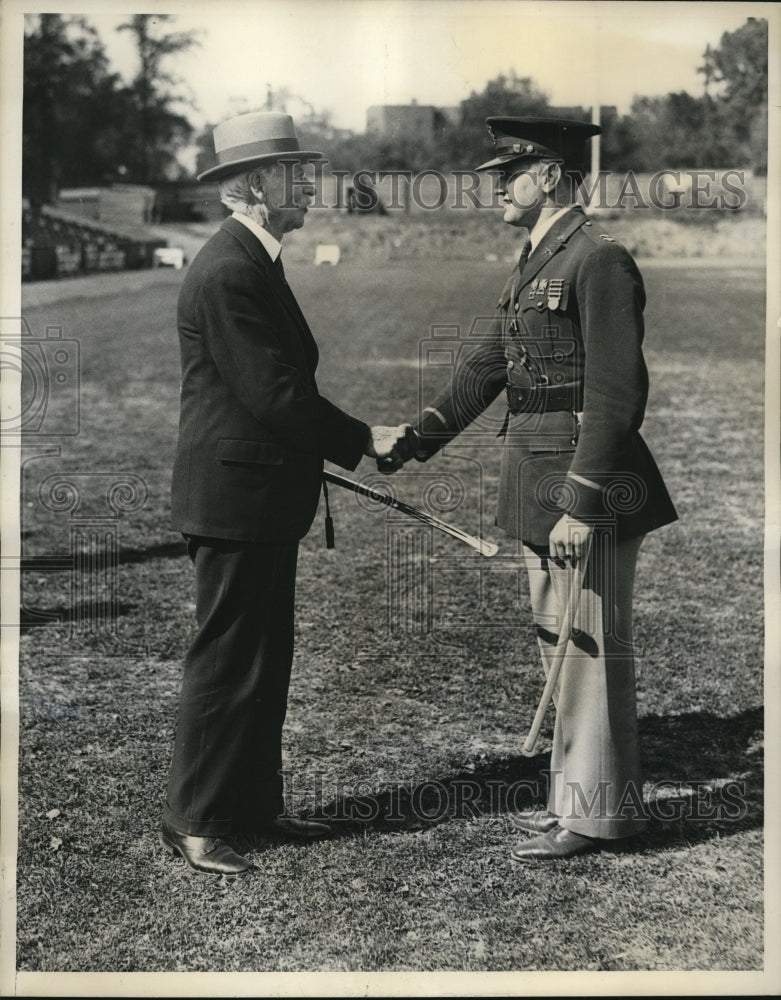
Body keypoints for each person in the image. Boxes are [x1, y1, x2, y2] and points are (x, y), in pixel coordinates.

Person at [392, 117, 678, 860]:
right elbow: (488, 365)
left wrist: (584, 503)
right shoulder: (534, 258)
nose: (494, 187)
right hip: (537, 476)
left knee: (588, 652)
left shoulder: (597, 259)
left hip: (584, 488)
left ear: (549, 175)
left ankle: (597, 816)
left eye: (506, 174)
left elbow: (617, 394)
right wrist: (415, 437)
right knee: (563, 644)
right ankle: (571, 801)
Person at [163, 111, 411, 876]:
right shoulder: (230, 268)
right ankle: (196, 821)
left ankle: (251, 811)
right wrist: (362, 436)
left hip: (257, 495)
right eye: (296, 172)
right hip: (233, 500)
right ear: (258, 185)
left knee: (265, 655)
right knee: (229, 658)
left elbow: (273, 392)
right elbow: (275, 394)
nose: (309, 183)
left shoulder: (252, 257)